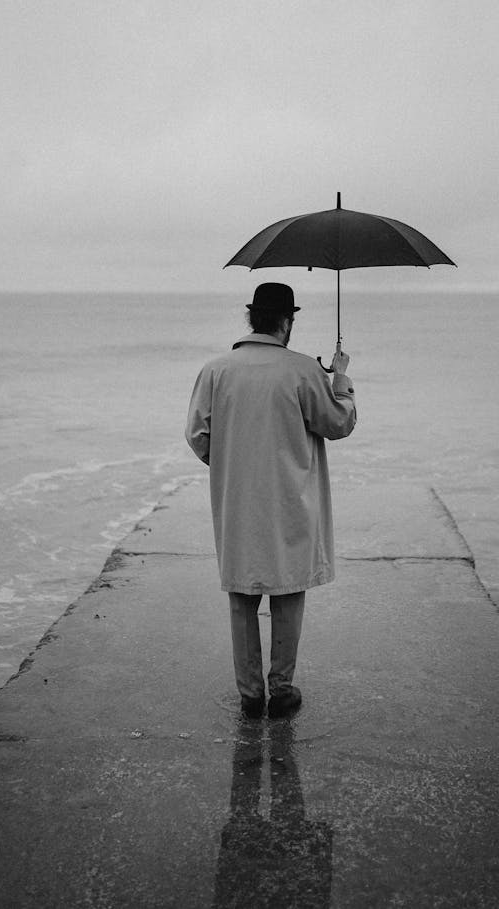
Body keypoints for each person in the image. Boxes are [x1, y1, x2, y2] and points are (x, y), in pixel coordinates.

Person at [185, 282, 356, 719]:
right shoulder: (302, 371)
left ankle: (249, 694)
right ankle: (280, 690)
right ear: (287, 321)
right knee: (287, 589)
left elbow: (198, 435)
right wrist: (340, 378)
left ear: (252, 318)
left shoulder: (216, 370)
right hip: (289, 499)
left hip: (238, 500)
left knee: (242, 592)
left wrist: (228, 466)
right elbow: (338, 423)